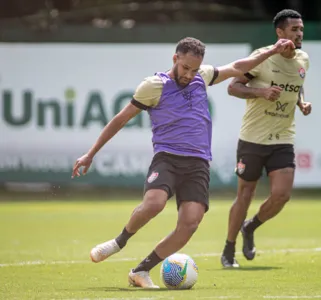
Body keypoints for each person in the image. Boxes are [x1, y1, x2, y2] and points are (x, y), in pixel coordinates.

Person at [72, 36, 294, 288]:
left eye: (194, 69)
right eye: (185, 68)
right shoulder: (153, 85)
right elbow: (120, 119)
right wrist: (90, 154)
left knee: (190, 224)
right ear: (175, 59)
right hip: (167, 158)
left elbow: (239, 67)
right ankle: (119, 242)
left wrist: (272, 50)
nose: (189, 74)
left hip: (198, 163)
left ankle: (141, 271)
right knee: (154, 204)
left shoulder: (204, 76)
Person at [220, 9, 312, 268]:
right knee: (245, 195)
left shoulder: (303, 58)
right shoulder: (262, 58)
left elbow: (297, 83)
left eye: (301, 29)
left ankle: (250, 227)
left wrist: (302, 103)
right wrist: (262, 92)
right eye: (294, 30)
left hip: (282, 138)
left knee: (282, 195)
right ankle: (229, 249)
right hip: (252, 139)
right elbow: (232, 87)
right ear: (280, 33)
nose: (299, 34)